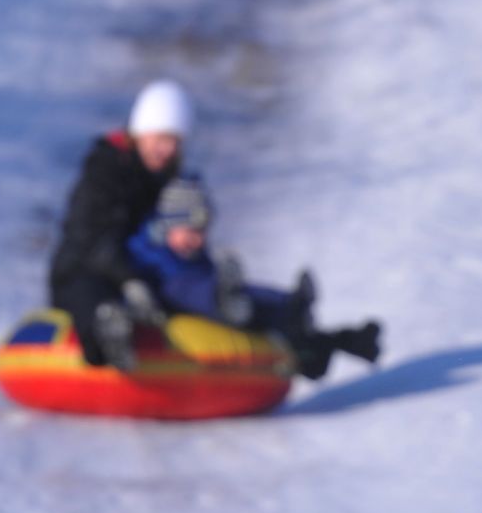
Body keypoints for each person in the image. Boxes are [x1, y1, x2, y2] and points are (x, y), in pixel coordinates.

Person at [123, 173, 382, 381]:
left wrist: (284, 303)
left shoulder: (194, 256)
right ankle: (226, 302)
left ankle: (292, 306)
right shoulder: (148, 250)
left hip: (213, 297)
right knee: (187, 288)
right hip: (172, 296)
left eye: (202, 231)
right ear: (168, 224)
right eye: (189, 231)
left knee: (247, 296)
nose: (197, 239)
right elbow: (132, 276)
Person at [49, 79, 194, 370]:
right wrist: (129, 279)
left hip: (141, 273)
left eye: (175, 142)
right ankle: (108, 334)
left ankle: (283, 321)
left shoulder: (169, 183)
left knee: (191, 287)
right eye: (161, 139)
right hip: (83, 270)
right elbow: (91, 240)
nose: (167, 150)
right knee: (92, 296)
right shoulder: (104, 172)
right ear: (141, 132)